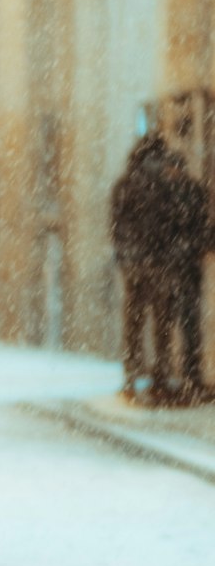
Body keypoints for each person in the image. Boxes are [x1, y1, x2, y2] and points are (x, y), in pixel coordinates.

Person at [110, 132, 181, 404]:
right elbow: (174, 223)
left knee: (134, 322)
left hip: (134, 265)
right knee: (162, 324)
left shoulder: (125, 184)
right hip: (161, 264)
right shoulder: (166, 184)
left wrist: (126, 256)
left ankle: (130, 377)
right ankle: (160, 379)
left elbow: (116, 225)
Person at [166, 151, 212, 403]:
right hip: (191, 263)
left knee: (173, 320)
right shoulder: (196, 190)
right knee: (189, 322)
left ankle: (177, 376)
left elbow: (161, 229)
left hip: (173, 264)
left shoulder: (168, 193)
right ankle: (190, 376)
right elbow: (205, 225)